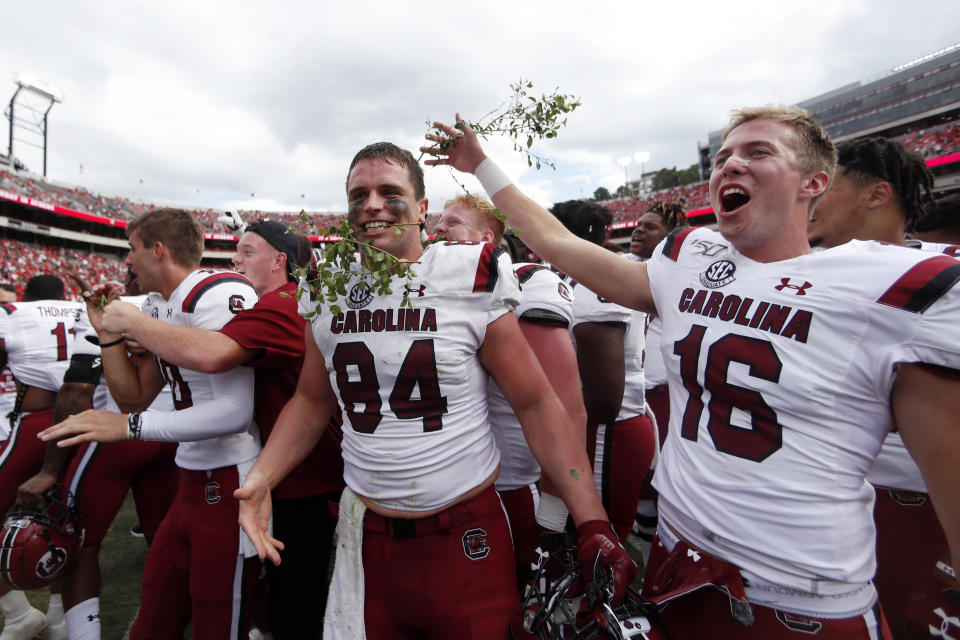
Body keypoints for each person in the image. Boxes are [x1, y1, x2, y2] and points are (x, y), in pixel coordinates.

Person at [426, 107, 960, 638]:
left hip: (801, 599)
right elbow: (561, 244)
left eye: (758, 152)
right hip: (676, 563)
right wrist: (481, 165)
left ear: (814, 181)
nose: (731, 165)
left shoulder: (889, 286)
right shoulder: (692, 258)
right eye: (724, 156)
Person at [234, 142, 634, 639]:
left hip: (464, 536)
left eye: (389, 191)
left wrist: (590, 518)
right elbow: (312, 400)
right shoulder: (327, 284)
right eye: (359, 194)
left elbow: (534, 401)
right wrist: (262, 478)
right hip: (370, 540)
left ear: (423, 209)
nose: (373, 204)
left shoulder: (467, 273)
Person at [93, 219, 345, 640]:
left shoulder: (287, 301)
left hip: (303, 479)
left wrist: (139, 328)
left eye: (247, 251)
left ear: (280, 260)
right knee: (265, 600)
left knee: (291, 607)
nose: (234, 259)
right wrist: (121, 335)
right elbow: (141, 390)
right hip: (264, 473)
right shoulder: (203, 302)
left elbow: (217, 358)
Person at [39, 208, 261, 639]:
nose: (127, 261)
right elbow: (134, 395)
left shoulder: (216, 291)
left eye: (132, 249)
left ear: (157, 250)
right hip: (190, 477)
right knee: (154, 615)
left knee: (218, 622)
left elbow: (236, 412)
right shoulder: (160, 304)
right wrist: (107, 334)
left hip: (231, 479)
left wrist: (130, 428)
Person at [805, 136, 959, 638]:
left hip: (914, 503)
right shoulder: (797, 270)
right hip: (821, 497)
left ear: (876, 195)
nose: (808, 198)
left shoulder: (939, 277)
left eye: (825, 185)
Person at [435, 193, 587, 590]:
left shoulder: (526, 283)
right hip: (446, 490)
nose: (436, 230)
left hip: (506, 489)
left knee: (515, 607)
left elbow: (567, 405)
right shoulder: (428, 288)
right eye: (437, 222)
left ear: (487, 238)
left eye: (451, 223)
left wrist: (554, 509)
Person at [16, 271, 178, 640]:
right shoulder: (180, 306)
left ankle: (81, 633)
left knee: (80, 541)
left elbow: (75, 390)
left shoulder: (107, 310)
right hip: (171, 436)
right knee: (164, 540)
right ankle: (155, 623)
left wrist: (49, 469)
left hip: (117, 436)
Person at [549, 199, 657, 544]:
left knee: (599, 547)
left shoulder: (592, 284)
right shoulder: (600, 274)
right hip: (615, 427)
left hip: (609, 431)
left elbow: (604, 402)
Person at [0, 274, 83, 640]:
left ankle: (18, 614)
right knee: (65, 520)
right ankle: (59, 615)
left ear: (26, 294)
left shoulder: (13, 312)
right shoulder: (83, 309)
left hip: (37, 423)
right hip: (85, 419)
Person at [625, 200, 688, 561]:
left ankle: (656, 549)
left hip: (663, 393)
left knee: (661, 477)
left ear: (671, 236)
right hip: (634, 390)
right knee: (643, 480)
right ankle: (648, 543)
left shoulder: (681, 275)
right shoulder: (626, 268)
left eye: (650, 227)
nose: (638, 230)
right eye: (638, 224)